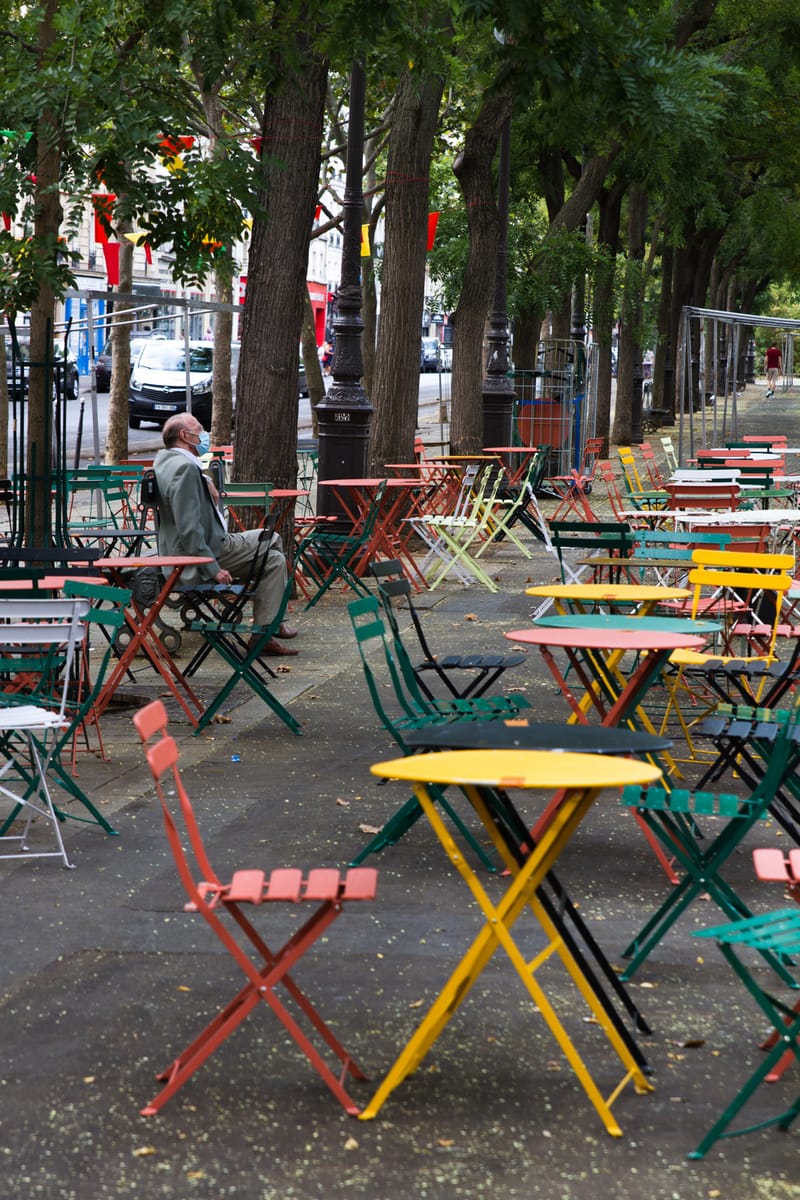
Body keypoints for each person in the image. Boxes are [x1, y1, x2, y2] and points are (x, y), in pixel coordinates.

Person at [153, 413, 298, 656]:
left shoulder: (165, 461)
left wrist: (203, 478)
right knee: (273, 551)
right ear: (185, 436)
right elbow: (189, 529)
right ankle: (267, 629)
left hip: (196, 547)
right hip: (205, 554)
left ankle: (270, 626)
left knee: (272, 549)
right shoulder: (185, 469)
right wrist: (212, 569)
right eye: (199, 428)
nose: (204, 433)